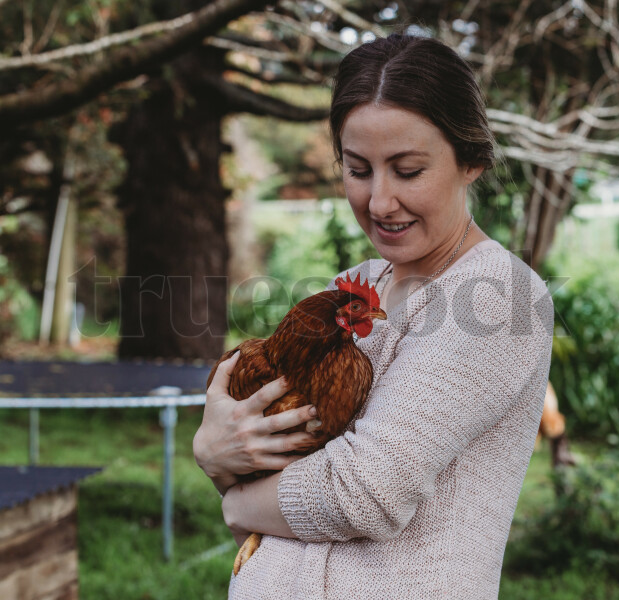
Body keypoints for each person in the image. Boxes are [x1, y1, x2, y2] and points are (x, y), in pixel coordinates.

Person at [193, 33, 554, 599]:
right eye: (358, 169)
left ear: (472, 161)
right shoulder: (354, 289)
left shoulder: (497, 298)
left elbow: (365, 493)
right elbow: (279, 463)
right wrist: (214, 454)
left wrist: (237, 504)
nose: (380, 202)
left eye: (408, 171)